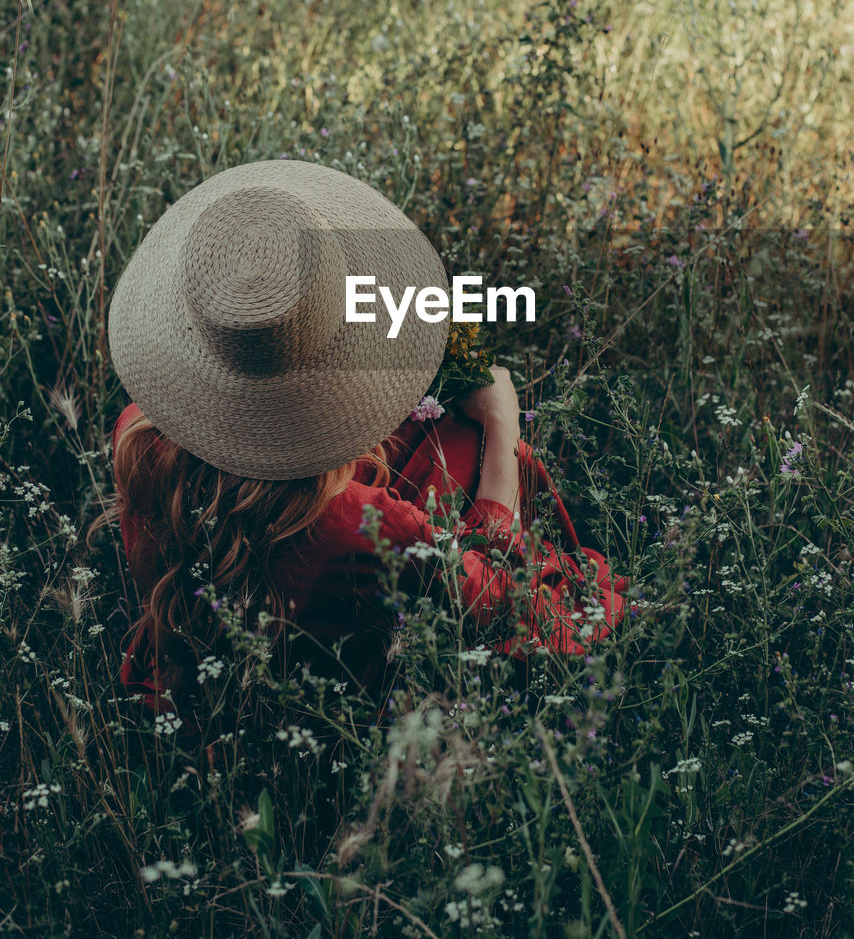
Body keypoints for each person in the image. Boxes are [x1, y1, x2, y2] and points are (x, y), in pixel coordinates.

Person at [91, 159, 627, 735]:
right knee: (474, 459)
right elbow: (501, 597)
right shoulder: (359, 525)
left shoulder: (139, 435)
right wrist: (503, 430)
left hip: (188, 670)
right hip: (324, 718)